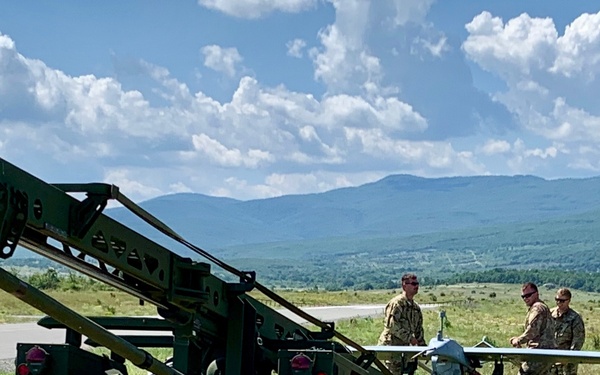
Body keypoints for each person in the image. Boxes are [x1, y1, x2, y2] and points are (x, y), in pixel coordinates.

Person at [377, 273, 425, 375]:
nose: (416, 286)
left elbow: (418, 330)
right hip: (392, 347)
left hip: (406, 350)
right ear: (404, 286)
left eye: (417, 283)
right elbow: (392, 326)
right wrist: (410, 338)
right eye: (413, 284)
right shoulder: (397, 304)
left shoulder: (415, 308)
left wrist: (423, 347)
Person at [509, 282, 556, 375]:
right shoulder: (542, 306)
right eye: (523, 296)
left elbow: (532, 330)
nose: (526, 298)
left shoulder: (537, 308)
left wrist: (518, 340)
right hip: (546, 354)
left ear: (537, 294)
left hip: (539, 353)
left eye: (528, 295)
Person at [550, 288, 585, 375]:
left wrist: (568, 358)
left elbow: (578, 341)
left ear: (568, 301)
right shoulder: (550, 314)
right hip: (550, 360)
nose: (559, 303)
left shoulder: (575, 318)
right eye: (557, 300)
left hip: (567, 363)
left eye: (562, 301)